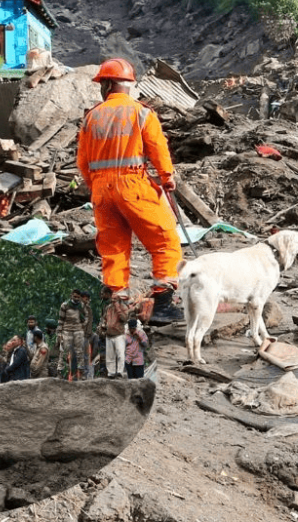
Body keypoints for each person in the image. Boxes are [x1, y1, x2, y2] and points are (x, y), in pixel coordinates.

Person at [76, 58, 184, 324]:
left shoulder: (92, 116)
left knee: (113, 249)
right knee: (165, 241)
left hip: (101, 189)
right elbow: (157, 147)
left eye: (102, 83)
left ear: (109, 84)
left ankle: (117, 306)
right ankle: (161, 304)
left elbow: (82, 161)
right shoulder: (141, 113)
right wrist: (167, 177)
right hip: (133, 185)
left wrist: (98, 187)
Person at [57, 291, 91, 380]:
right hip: (67, 330)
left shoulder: (81, 306)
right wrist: (59, 332)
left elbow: (86, 316)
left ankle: (81, 372)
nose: (76, 298)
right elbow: (61, 319)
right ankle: (61, 372)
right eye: (74, 296)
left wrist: (83, 325)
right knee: (64, 351)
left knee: (80, 351)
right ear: (71, 295)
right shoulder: (65, 305)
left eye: (78, 297)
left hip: (78, 330)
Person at [102, 292, 131, 378]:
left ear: (119, 299)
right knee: (110, 355)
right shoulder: (108, 308)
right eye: (112, 298)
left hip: (119, 334)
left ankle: (119, 372)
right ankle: (111, 373)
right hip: (109, 334)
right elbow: (104, 318)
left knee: (120, 354)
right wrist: (103, 324)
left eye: (115, 299)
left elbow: (124, 319)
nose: (113, 300)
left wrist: (118, 307)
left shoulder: (123, 307)